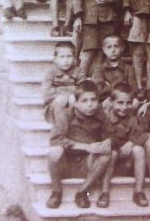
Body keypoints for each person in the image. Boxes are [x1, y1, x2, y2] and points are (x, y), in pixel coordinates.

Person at [46, 79, 112, 209]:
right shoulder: (66, 115)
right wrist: (86, 147)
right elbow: (55, 139)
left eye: (93, 100)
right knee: (54, 151)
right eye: (84, 101)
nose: (90, 105)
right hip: (66, 161)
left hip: (87, 163)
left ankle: (82, 192)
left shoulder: (101, 115)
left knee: (106, 154)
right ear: (76, 103)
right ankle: (56, 192)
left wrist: (108, 140)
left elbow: (111, 132)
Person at [102, 82, 149, 207]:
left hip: (126, 161)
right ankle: (104, 191)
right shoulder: (104, 118)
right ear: (111, 102)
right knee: (111, 153)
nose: (124, 107)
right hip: (108, 160)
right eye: (120, 103)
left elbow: (142, 133)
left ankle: (139, 191)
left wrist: (132, 142)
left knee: (138, 150)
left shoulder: (133, 119)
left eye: (128, 103)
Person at [42, 42, 81, 124]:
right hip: (54, 106)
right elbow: (46, 91)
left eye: (69, 56)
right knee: (62, 99)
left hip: (74, 103)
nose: (66, 60)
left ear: (74, 58)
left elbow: (82, 89)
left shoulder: (78, 71)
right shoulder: (51, 73)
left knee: (73, 99)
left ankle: (74, 125)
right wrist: (68, 92)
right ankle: (60, 127)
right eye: (62, 57)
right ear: (55, 59)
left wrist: (62, 91)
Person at [92, 35, 136, 104]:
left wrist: (108, 86)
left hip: (124, 102)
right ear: (104, 50)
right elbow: (99, 90)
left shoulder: (129, 69)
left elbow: (133, 89)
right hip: (105, 101)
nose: (113, 50)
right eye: (109, 47)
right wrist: (123, 86)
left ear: (122, 48)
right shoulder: (99, 69)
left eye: (116, 46)